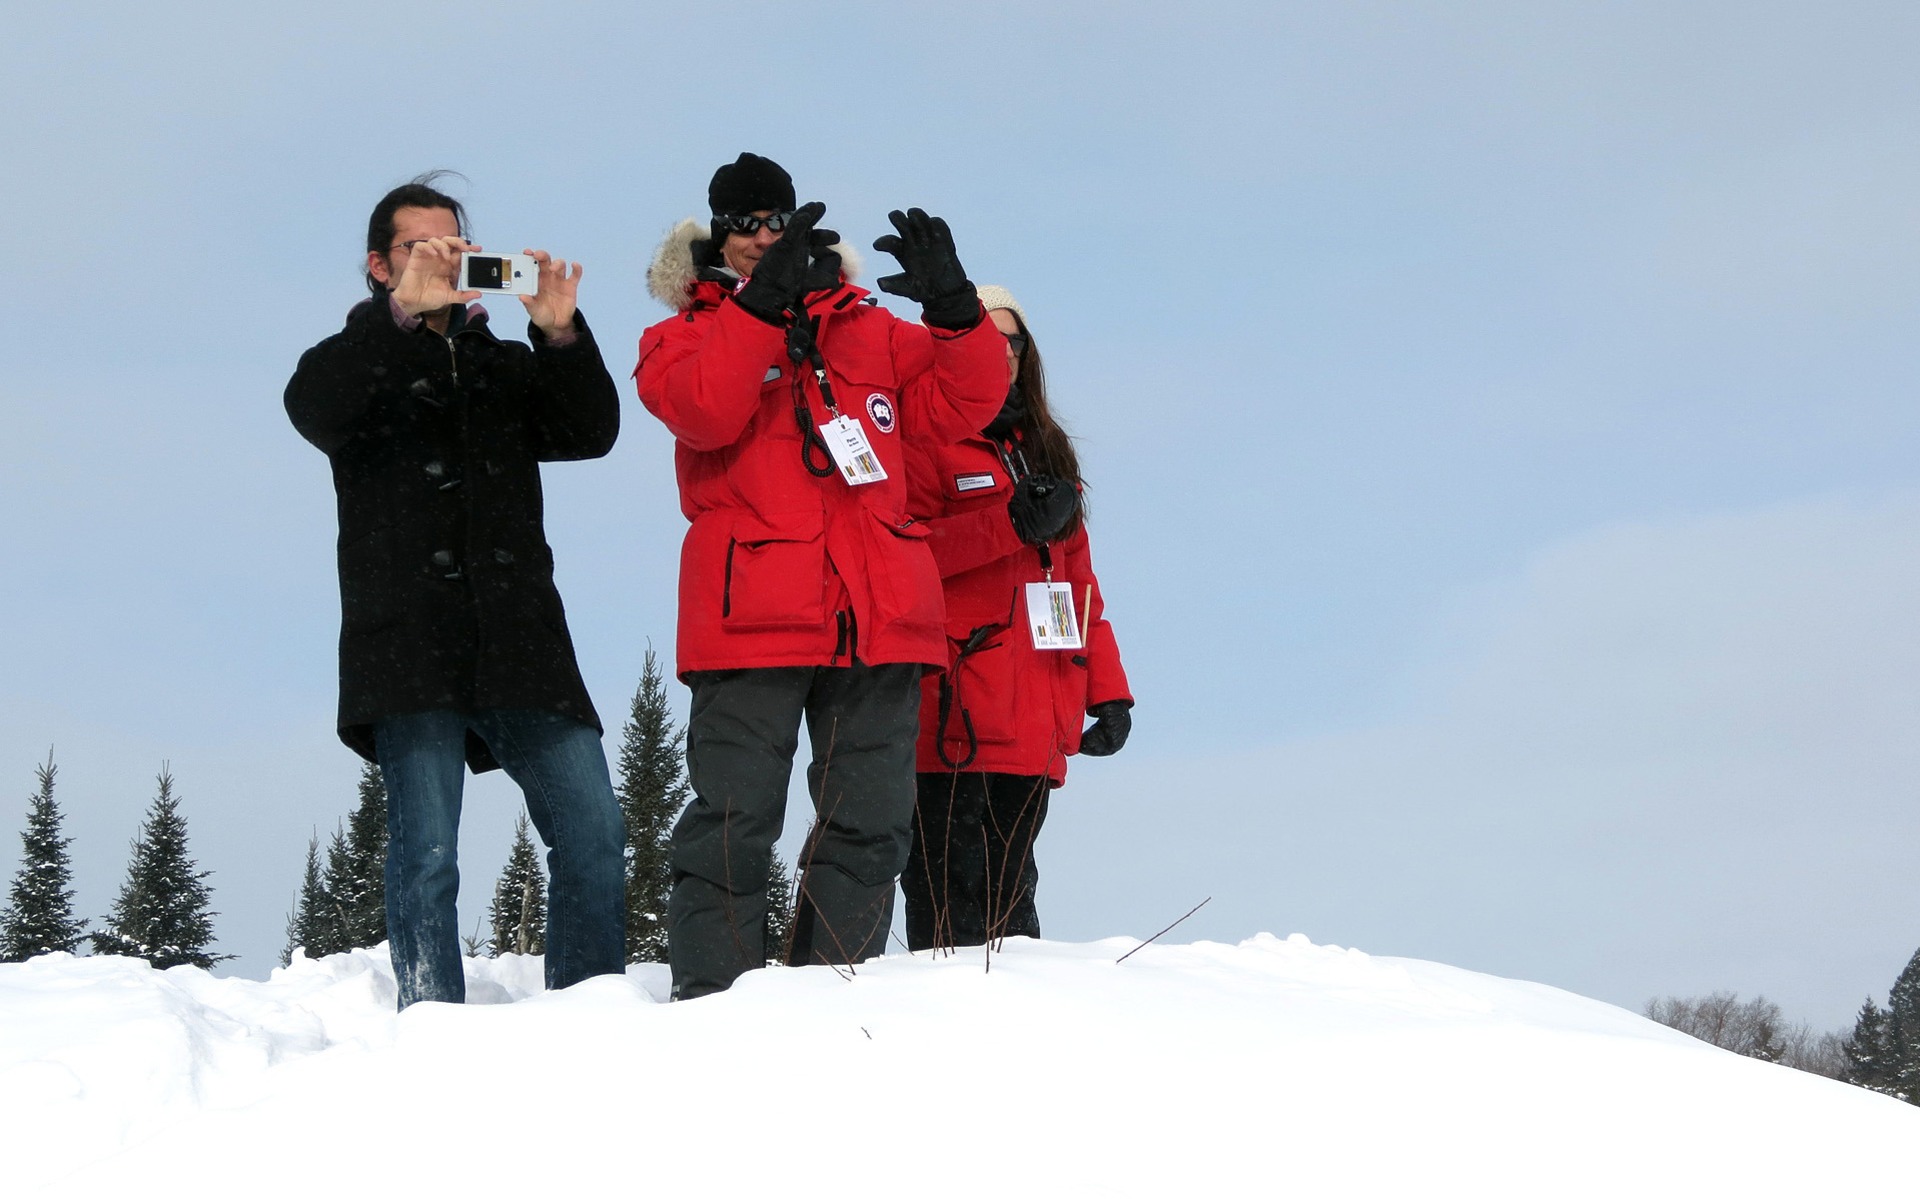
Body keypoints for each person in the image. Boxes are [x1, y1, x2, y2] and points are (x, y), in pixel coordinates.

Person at [636, 152, 1007, 998]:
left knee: (872, 825)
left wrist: (955, 309)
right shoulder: (680, 336)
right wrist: (763, 310)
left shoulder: (869, 327)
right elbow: (703, 410)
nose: (763, 238)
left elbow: (969, 401)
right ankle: (715, 1006)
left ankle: (829, 998)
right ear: (716, 236)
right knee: (735, 821)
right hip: (751, 618)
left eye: (776, 221)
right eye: (745, 225)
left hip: (879, 613)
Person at [285, 174, 627, 1009]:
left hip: (520, 638)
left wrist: (559, 333)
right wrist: (401, 320)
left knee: (593, 831)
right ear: (377, 265)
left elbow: (591, 432)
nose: (444, 260)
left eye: (458, 246)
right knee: (427, 852)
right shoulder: (354, 361)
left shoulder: (501, 365)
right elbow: (314, 409)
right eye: (421, 247)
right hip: (407, 640)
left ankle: (590, 1015)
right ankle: (430, 1021)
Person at [901, 284, 1133, 951]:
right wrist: (1007, 525)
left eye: (1012, 340)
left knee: (1015, 913)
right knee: (951, 914)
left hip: (1035, 717)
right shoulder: (921, 438)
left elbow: (1081, 583)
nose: (998, 353)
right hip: (953, 716)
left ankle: (1016, 1049)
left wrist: (1109, 691)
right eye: (983, 338)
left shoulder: (1047, 451)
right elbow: (905, 555)